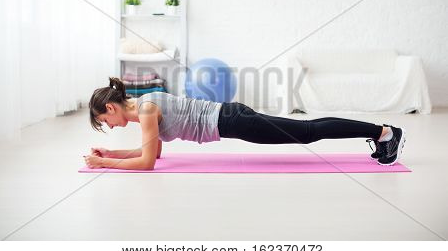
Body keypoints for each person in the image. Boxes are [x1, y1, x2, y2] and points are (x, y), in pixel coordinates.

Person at [85, 77, 406, 170]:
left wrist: (102, 163)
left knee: (307, 132)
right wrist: (110, 156)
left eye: (105, 120)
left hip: (233, 122)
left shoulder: (146, 110)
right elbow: (152, 154)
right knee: (307, 131)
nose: (110, 127)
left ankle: (385, 133)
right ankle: (382, 134)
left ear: (111, 107)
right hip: (231, 117)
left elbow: (146, 164)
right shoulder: (146, 104)